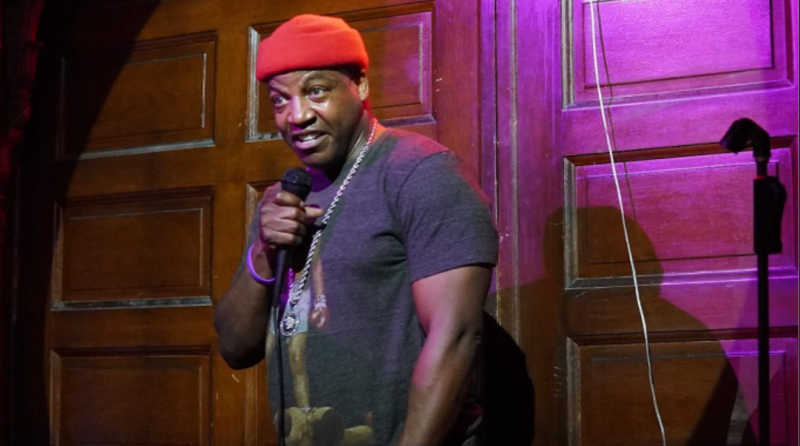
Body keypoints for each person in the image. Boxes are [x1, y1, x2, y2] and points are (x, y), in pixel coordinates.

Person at [214, 14, 498, 446]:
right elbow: (235, 348)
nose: (297, 116)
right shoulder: (283, 201)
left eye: (316, 91)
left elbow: (456, 337)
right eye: (279, 100)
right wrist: (263, 251)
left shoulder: (420, 174)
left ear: (360, 86)